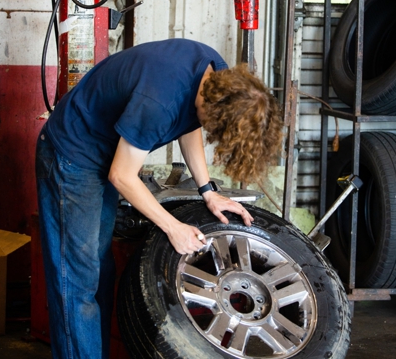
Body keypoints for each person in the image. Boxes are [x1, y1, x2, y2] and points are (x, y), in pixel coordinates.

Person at [35, 38, 284, 359]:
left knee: (99, 269)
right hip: (72, 155)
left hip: (105, 152)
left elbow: (190, 122)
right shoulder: (157, 102)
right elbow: (122, 176)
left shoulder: (212, 73)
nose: (210, 135)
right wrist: (173, 226)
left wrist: (208, 191)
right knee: (77, 281)